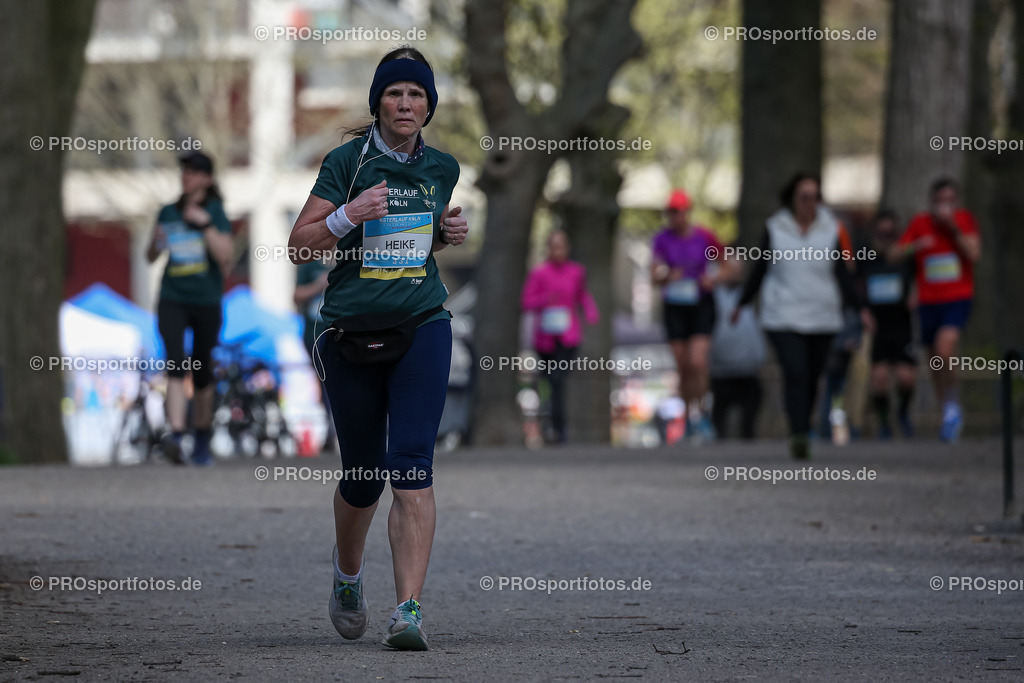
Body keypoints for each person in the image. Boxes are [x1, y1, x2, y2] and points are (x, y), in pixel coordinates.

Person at [287, 46, 468, 651]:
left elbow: (412, 249)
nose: (406, 103)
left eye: (417, 94)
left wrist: (444, 235)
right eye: (396, 93)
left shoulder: (443, 168)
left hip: (422, 323)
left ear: (429, 106)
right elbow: (299, 247)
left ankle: (408, 611)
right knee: (363, 476)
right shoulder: (346, 162)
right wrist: (348, 214)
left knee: (412, 465)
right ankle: (346, 574)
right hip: (349, 333)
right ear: (378, 102)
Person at [733, 173, 873, 460]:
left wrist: (860, 309)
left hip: (822, 315)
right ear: (792, 200)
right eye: (804, 197)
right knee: (794, 372)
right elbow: (760, 268)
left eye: (815, 197)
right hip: (782, 314)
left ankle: (803, 424)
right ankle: (798, 433)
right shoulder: (775, 228)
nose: (810, 203)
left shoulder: (832, 229)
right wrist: (742, 302)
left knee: (812, 376)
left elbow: (842, 274)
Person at [146, 151, 234, 466]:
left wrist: (205, 223)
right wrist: (156, 243)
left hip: (206, 301)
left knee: (201, 369)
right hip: (172, 297)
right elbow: (150, 256)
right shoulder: (168, 211)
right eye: (184, 171)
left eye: (194, 171)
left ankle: (201, 434)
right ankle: (176, 435)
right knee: (174, 362)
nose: (187, 176)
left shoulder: (216, 211)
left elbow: (226, 258)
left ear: (207, 178)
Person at [889, 179, 981, 442]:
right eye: (940, 201)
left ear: (956, 202)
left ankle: (952, 405)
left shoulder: (964, 220)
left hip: (958, 297)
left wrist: (953, 229)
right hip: (929, 301)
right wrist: (915, 246)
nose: (944, 206)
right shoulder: (919, 224)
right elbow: (894, 253)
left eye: (949, 201)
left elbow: (974, 254)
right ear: (932, 201)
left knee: (944, 349)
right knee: (935, 359)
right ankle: (948, 409)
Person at [650, 189, 723, 443]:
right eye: (671, 212)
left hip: (701, 304)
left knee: (697, 362)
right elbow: (654, 274)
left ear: (687, 212)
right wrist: (668, 276)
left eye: (679, 211)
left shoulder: (704, 237)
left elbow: (729, 264)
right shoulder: (662, 240)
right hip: (675, 306)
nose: (675, 217)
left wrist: (713, 278)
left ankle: (702, 414)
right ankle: (688, 416)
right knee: (682, 366)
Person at [520, 230, 600, 444]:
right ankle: (549, 425)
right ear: (548, 248)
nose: (558, 251)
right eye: (554, 246)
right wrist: (545, 299)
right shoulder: (539, 273)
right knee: (550, 382)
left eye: (561, 246)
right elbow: (527, 302)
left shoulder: (576, 272)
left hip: (568, 336)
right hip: (544, 338)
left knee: (558, 379)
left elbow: (582, 296)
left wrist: (590, 312)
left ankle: (559, 428)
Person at [860, 210, 917, 439]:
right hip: (877, 325)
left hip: (902, 324)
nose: (885, 238)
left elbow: (920, 277)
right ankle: (884, 425)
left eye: (889, 233)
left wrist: (916, 294)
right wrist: (863, 311)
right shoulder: (867, 258)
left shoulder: (907, 258)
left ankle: (903, 412)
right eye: (881, 233)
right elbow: (856, 286)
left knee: (906, 376)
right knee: (879, 378)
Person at [709, 253, 765, 439]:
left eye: (739, 270)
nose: (736, 275)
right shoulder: (710, 296)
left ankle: (747, 456)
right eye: (731, 270)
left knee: (749, 420)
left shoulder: (750, 294)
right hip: (720, 369)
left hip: (749, 369)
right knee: (720, 417)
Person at [294, 259, 336, 451]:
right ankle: (330, 427)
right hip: (314, 333)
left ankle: (333, 427)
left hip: (339, 331)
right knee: (324, 381)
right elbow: (296, 295)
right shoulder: (309, 264)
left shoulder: (349, 255)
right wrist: (318, 286)